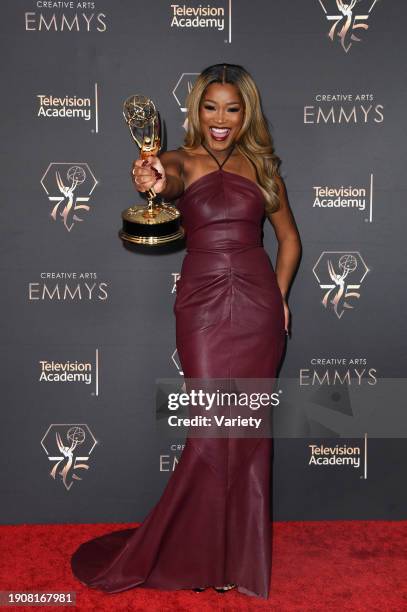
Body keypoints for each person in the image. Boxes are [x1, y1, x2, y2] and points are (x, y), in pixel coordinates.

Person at [70, 63, 301, 599]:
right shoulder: (182, 160)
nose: (220, 119)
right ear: (196, 110)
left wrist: (281, 296)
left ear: (247, 113)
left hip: (257, 305)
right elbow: (163, 176)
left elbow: (289, 240)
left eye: (232, 108)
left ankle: (236, 563)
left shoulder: (262, 168)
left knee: (246, 431)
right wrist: (151, 177)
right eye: (210, 107)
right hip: (200, 304)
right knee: (209, 429)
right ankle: (195, 551)